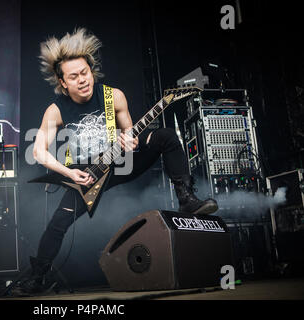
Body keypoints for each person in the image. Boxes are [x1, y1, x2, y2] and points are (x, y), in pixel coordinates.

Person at [16, 28, 218, 295]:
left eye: (85, 72)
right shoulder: (56, 110)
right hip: (85, 175)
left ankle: (187, 198)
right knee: (57, 224)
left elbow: (130, 134)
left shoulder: (114, 96)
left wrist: (129, 140)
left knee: (166, 136)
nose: (82, 80)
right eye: (73, 77)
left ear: (91, 70)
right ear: (63, 82)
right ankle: (37, 278)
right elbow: (39, 152)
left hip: (121, 164)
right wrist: (70, 173)